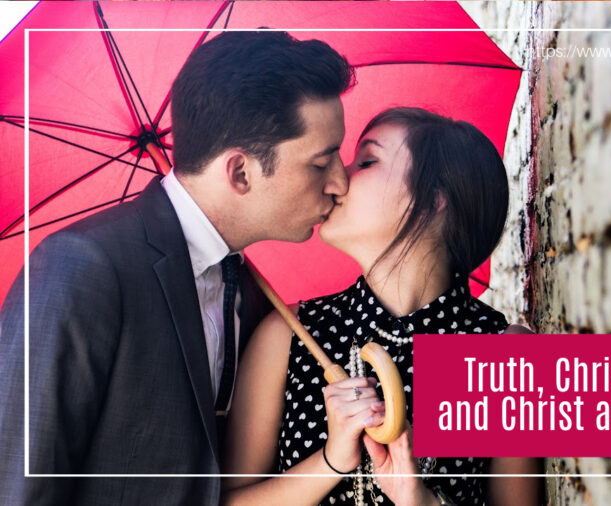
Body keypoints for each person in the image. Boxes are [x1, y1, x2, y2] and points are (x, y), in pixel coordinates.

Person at [0, 31, 354, 505]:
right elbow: (19, 485)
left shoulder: (253, 292)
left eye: (355, 160)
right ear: (240, 173)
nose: (342, 182)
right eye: (321, 162)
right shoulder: (83, 266)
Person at [222, 107, 540, 506]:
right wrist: (331, 461)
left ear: (434, 200)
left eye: (367, 160)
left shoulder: (504, 355)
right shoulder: (288, 334)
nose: (337, 180)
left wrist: (420, 501)